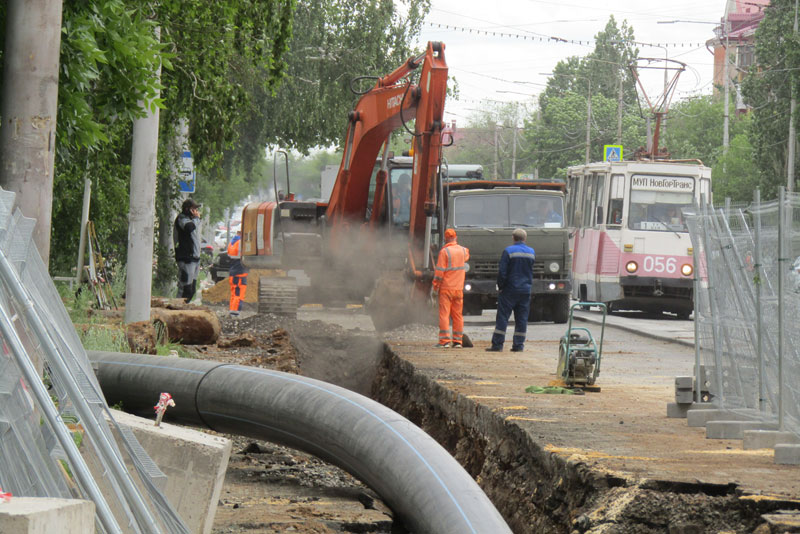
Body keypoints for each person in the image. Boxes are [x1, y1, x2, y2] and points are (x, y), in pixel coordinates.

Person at [487, 228, 535, 352]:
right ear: (525, 239)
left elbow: (502, 272)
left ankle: (498, 345)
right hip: (525, 290)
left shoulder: (508, 251)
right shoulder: (531, 252)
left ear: (513, 238)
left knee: (503, 317)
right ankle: (518, 346)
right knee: (521, 319)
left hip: (509, 290)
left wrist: (501, 286)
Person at [432, 228, 470, 348]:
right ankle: (458, 341)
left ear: (445, 239)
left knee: (444, 314)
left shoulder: (444, 252)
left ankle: (444, 341)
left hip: (446, 288)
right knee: (457, 315)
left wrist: (435, 288)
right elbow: (466, 257)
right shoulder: (464, 251)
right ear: (456, 237)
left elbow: (439, 273)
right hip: (458, 289)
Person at [173, 198, 202, 303]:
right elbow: (189, 228)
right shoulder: (182, 218)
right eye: (193, 209)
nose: (196, 211)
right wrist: (197, 219)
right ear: (187, 209)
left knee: (192, 290)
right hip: (186, 259)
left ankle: (183, 309)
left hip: (195, 258)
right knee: (185, 288)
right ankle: (176, 309)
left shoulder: (194, 221)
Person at [227, 230, 248, 316]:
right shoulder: (241, 242)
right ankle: (235, 312)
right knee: (239, 294)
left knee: (234, 293)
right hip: (240, 272)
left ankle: (232, 310)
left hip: (234, 271)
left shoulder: (232, 242)